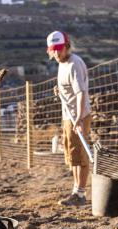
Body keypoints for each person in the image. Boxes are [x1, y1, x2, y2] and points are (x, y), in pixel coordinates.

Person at [47, 31, 92, 206]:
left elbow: (81, 93)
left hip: (78, 116)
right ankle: (76, 191)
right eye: (53, 50)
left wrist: (79, 119)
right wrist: (60, 90)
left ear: (67, 46)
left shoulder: (74, 64)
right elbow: (70, 88)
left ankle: (80, 194)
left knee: (80, 156)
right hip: (69, 116)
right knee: (72, 155)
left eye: (59, 49)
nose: (57, 54)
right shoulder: (62, 64)